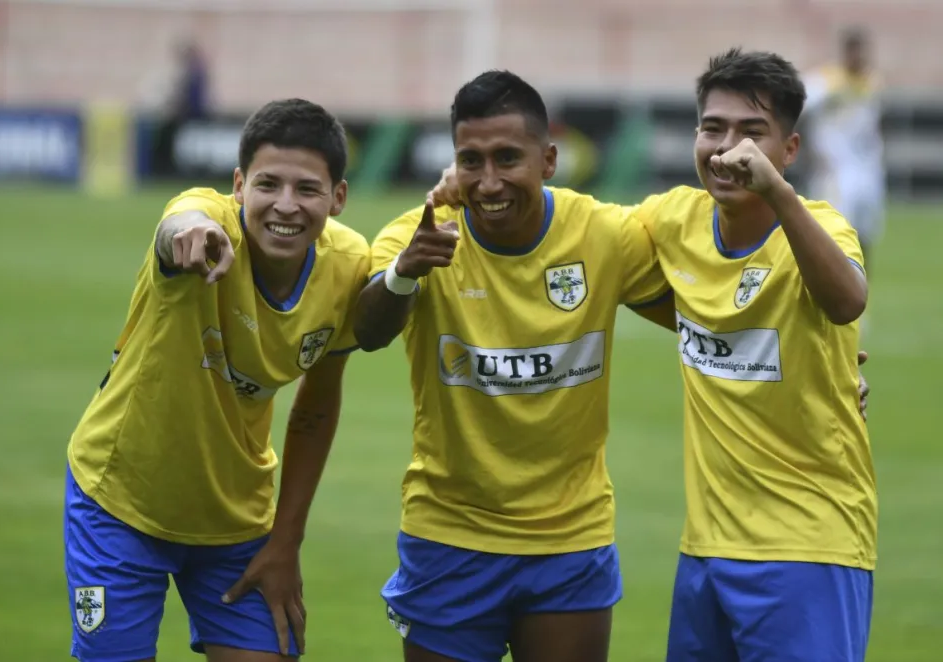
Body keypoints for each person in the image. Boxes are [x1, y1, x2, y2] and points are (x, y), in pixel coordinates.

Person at [356, 70, 871, 662]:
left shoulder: (603, 234)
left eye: (507, 158)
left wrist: (819, 360)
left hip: (574, 541)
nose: (490, 180)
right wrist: (405, 273)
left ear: (548, 159)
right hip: (449, 533)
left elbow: (765, 304)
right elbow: (367, 331)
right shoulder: (422, 237)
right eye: (471, 161)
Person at [64, 98, 370, 662]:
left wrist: (286, 542)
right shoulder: (206, 221)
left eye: (307, 189)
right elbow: (181, 220)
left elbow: (316, 410)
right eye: (267, 184)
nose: (285, 205)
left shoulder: (349, 265)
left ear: (339, 198)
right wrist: (189, 232)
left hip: (235, 519)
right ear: (238, 185)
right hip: (121, 503)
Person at [634, 48, 876, 662]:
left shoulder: (823, 226)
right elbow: (597, 262)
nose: (727, 147)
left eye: (752, 132)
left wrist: (778, 194)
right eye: (713, 128)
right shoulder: (672, 220)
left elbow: (847, 301)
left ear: (789, 150)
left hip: (808, 548)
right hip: (705, 551)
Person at [802, 27, 885, 275]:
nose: (858, 57)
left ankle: (861, 296)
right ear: (845, 53)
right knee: (836, 234)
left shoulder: (872, 83)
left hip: (868, 171)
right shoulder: (827, 82)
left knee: (866, 236)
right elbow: (798, 110)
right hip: (835, 172)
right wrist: (808, 151)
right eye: (853, 51)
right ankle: (834, 291)